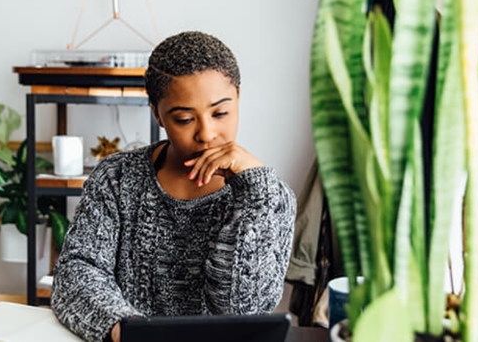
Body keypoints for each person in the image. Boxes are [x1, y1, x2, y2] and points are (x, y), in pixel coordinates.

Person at [51, 31, 297, 342]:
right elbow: (76, 273)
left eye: (220, 113)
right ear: (157, 113)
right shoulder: (116, 179)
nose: (207, 134)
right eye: (184, 119)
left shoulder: (271, 199)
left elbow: (241, 312)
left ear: (238, 98)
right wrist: (126, 330)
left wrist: (254, 197)